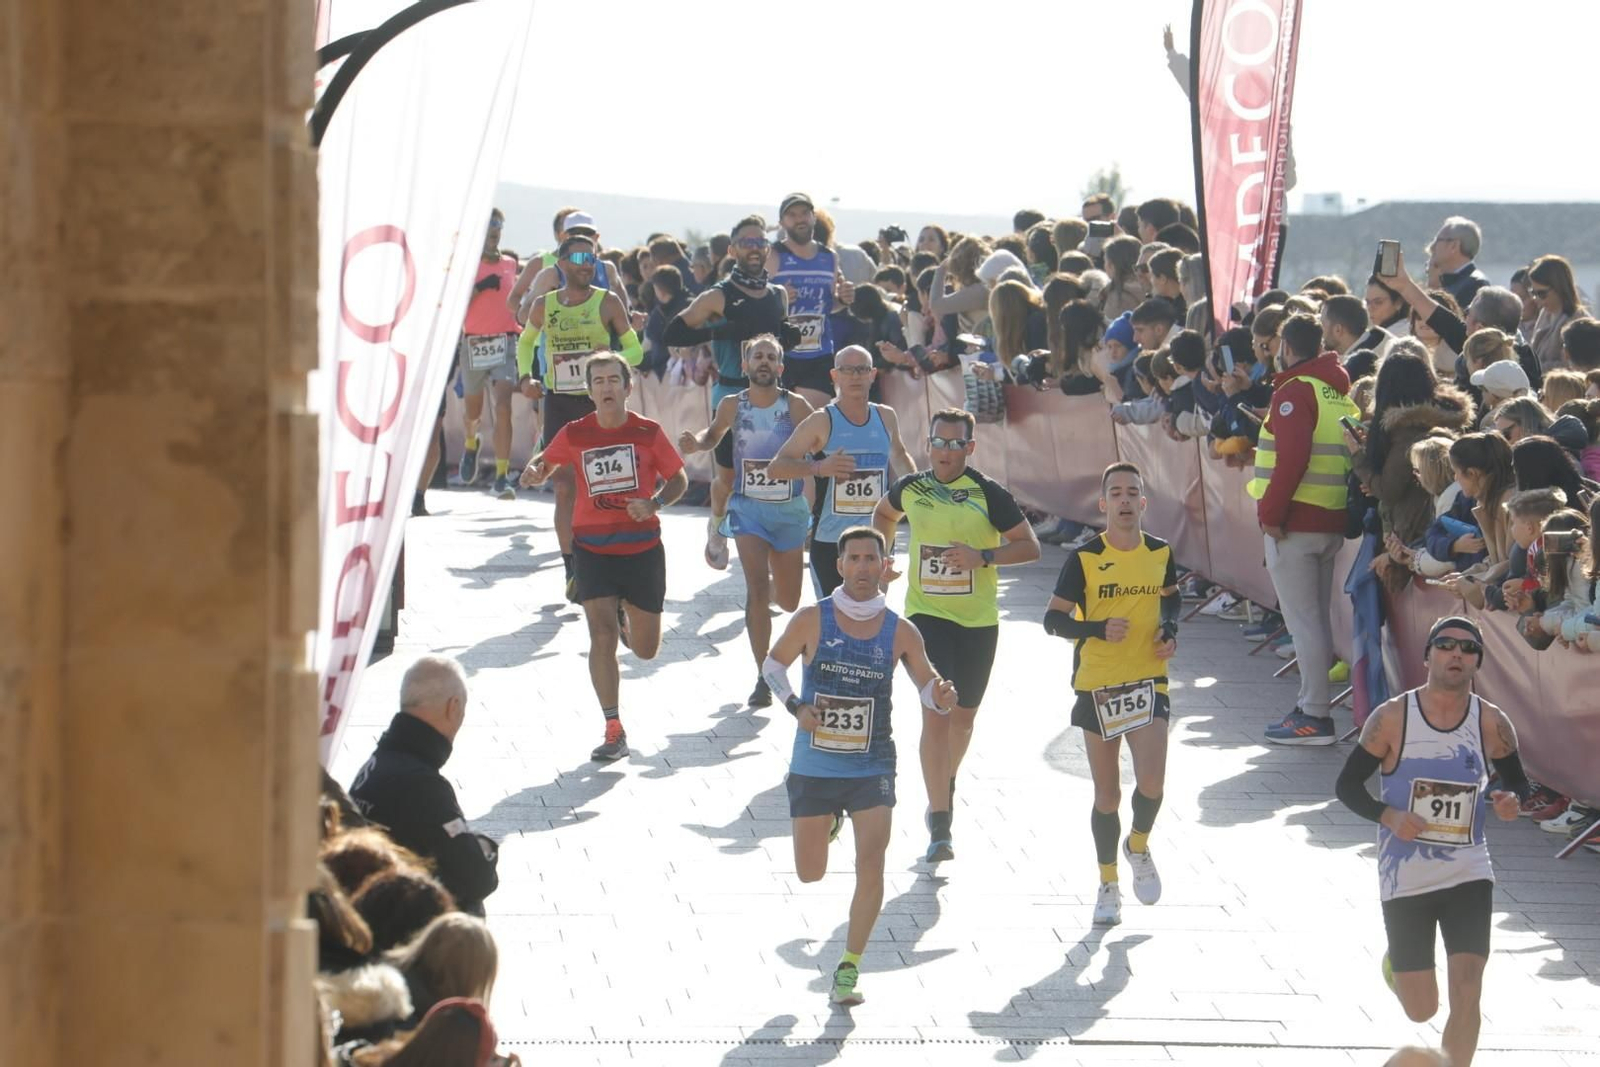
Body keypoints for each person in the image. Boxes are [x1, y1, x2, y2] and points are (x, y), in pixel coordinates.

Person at [761, 526, 959, 1006]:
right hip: (815, 765)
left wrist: (942, 695)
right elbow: (773, 666)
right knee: (810, 873)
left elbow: (926, 684)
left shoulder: (901, 629)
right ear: (840, 565)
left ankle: (849, 967)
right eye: (856, 559)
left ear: (885, 564)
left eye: (874, 559)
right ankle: (829, 822)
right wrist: (795, 707)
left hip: (873, 766)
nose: (865, 568)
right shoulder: (813, 619)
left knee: (872, 865)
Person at [1335, 616, 1531, 1067]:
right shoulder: (1391, 719)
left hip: (1469, 870)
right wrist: (1388, 815)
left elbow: (1519, 785)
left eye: (1468, 648)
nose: (1456, 654)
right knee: (1421, 1008)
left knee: (1468, 987)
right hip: (1405, 875)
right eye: (1445, 645)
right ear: (1427, 656)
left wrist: (1509, 801)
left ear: (1478, 662)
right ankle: (1397, 965)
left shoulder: (1492, 723)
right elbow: (1346, 787)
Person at [871, 408, 1040, 862]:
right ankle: (941, 826)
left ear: (970, 447)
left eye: (954, 444)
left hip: (978, 622)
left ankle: (942, 786)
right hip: (925, 618)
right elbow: (883, 514)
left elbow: (1030, 547)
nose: (945, 452)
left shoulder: (988, 494)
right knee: (937, 711)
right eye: (938, 443)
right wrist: (882, 556)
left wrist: (982, 557)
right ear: (928, 444)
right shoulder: (913, 487)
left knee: (963, 718)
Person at [519, 354, 688, 761]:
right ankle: (613, 727)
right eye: (599, 381)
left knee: (646, 650)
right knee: (600, 637)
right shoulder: (575, 433)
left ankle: (628, 616)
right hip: (592, 548)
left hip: (642, 549)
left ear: (628, 388)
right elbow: (545, 460)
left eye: (614, 380)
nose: (607, 387)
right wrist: (534, 471)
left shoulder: (647, 432)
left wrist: (655, 503)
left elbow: (678, 479)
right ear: (589, 390)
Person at [1042, 462, 1180, 927]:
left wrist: (1170, 630)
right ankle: (1108, 882)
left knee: (1153, 783)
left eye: (1132, 493)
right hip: (1097, 684)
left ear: (1143, 502)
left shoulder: (1160, 552)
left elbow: (1171, 596)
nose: (1124, 500)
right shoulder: (1083, 558)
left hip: (1148, 680)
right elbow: (1053, 620)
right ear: (1103, 505)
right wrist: (1096, 628)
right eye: (1115, 493)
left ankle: (1137, 845)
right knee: (1107, 795)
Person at [677, 335, 814, 707]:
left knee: (788, 601)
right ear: (745, 366)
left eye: (771, 357)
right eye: (758, 356)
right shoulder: (732, 405)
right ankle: (763, 675)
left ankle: (771, 589)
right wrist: (697, 443)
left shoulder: (797, 406)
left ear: (781, 367)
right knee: (754, 587)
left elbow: (821, 443)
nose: (764, 361)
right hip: (748, 508)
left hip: (788, 513)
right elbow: (713, 435)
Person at [1248, 313, 1360, 745]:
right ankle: (1314, 710)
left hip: (1296, 523)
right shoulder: (1337, 394)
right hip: (1329, 520)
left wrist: (1271, 517)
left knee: (1304, 622)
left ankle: (1313, 714)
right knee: (1316, 620)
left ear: (1287, 348)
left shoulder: (1295, 392)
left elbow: (1291, 460)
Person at [515, 234, 645, 601]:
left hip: (601, 405)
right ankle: (572, 565)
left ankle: (610, 557)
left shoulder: (608, 302)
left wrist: (614, 355)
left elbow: (635, 349)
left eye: (593, 257)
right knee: (565, 487)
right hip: (560, 403)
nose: (588, 263)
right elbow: (525, 342)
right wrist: (526, 377)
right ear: (561, 263)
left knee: (609, 484)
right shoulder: (546, 304)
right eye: (580, 257)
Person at [666, 216, 791, 568]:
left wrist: (790, 336)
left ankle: (765, 543)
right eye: (747, 242)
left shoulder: (777, 294)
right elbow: (675, 332)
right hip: (730, 393)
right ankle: (717, 526)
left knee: (771, 472)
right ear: (733, 249)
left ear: (767, 249)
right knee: (730, 478)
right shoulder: (718, 295)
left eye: (760, 242)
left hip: (771, 396)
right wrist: (720, 328)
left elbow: (783, 339)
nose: (754, 248)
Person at [348, 656, 500, 915]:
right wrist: (485, 847)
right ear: (453, 708)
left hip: (364, 904)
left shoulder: (379, 761)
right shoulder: (422, 784)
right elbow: (479, 879)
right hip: (387, 926)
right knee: (468, 908)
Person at [766, 347, 915, 598]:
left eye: (862, 370)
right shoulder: (822, 420)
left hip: (875, 542)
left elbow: (900, 459)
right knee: (832, 625)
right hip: (831, 543)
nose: (855, 376)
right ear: (835, 376)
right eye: (847, 370)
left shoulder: (885, 417)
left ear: (873, 374)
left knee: (871, 619)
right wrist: (818, 467)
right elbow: (776, 467)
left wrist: (920, 500)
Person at [455, 209, 527, 500]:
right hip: (473, 343)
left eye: (497, 227)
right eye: (488, 227)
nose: (493, 232)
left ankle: (501, 476)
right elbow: (456, 307)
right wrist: (481, 287)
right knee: (473, 411)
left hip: (504, 342)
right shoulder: (466, 264)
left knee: (503, 407)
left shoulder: (511, 264)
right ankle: (471, 444)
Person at [767, 193, 851, 408]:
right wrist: (776, 295)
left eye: (805, 213)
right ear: (782, 223)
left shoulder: (829, 257)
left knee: (813, 425)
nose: (800, 219)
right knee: (781, 428)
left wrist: (844, 299)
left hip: (818, 354)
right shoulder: (773, 256)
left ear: (814, 218)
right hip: (779, 353)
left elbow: (830, 305)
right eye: (792, 215)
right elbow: (755, 300)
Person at [1427, 217, 1490, 309]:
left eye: (1437, 240)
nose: (1431, 247)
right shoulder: (1444, 280)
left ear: (1454, 245)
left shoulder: (1476, 285)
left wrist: (1433, 289)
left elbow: (1446, 321)